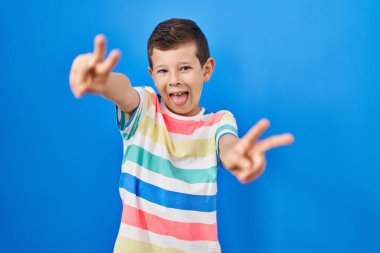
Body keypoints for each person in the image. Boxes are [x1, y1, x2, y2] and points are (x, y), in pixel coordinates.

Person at [69, 18, 294, 253]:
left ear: (206, 69)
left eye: (184, 68)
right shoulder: (145, 109)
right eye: (163, 71)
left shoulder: (218, 123)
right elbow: (123, 91)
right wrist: (104, 83)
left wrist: (238, 156)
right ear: (152, 75)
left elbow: (228, 146)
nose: (174, 79)